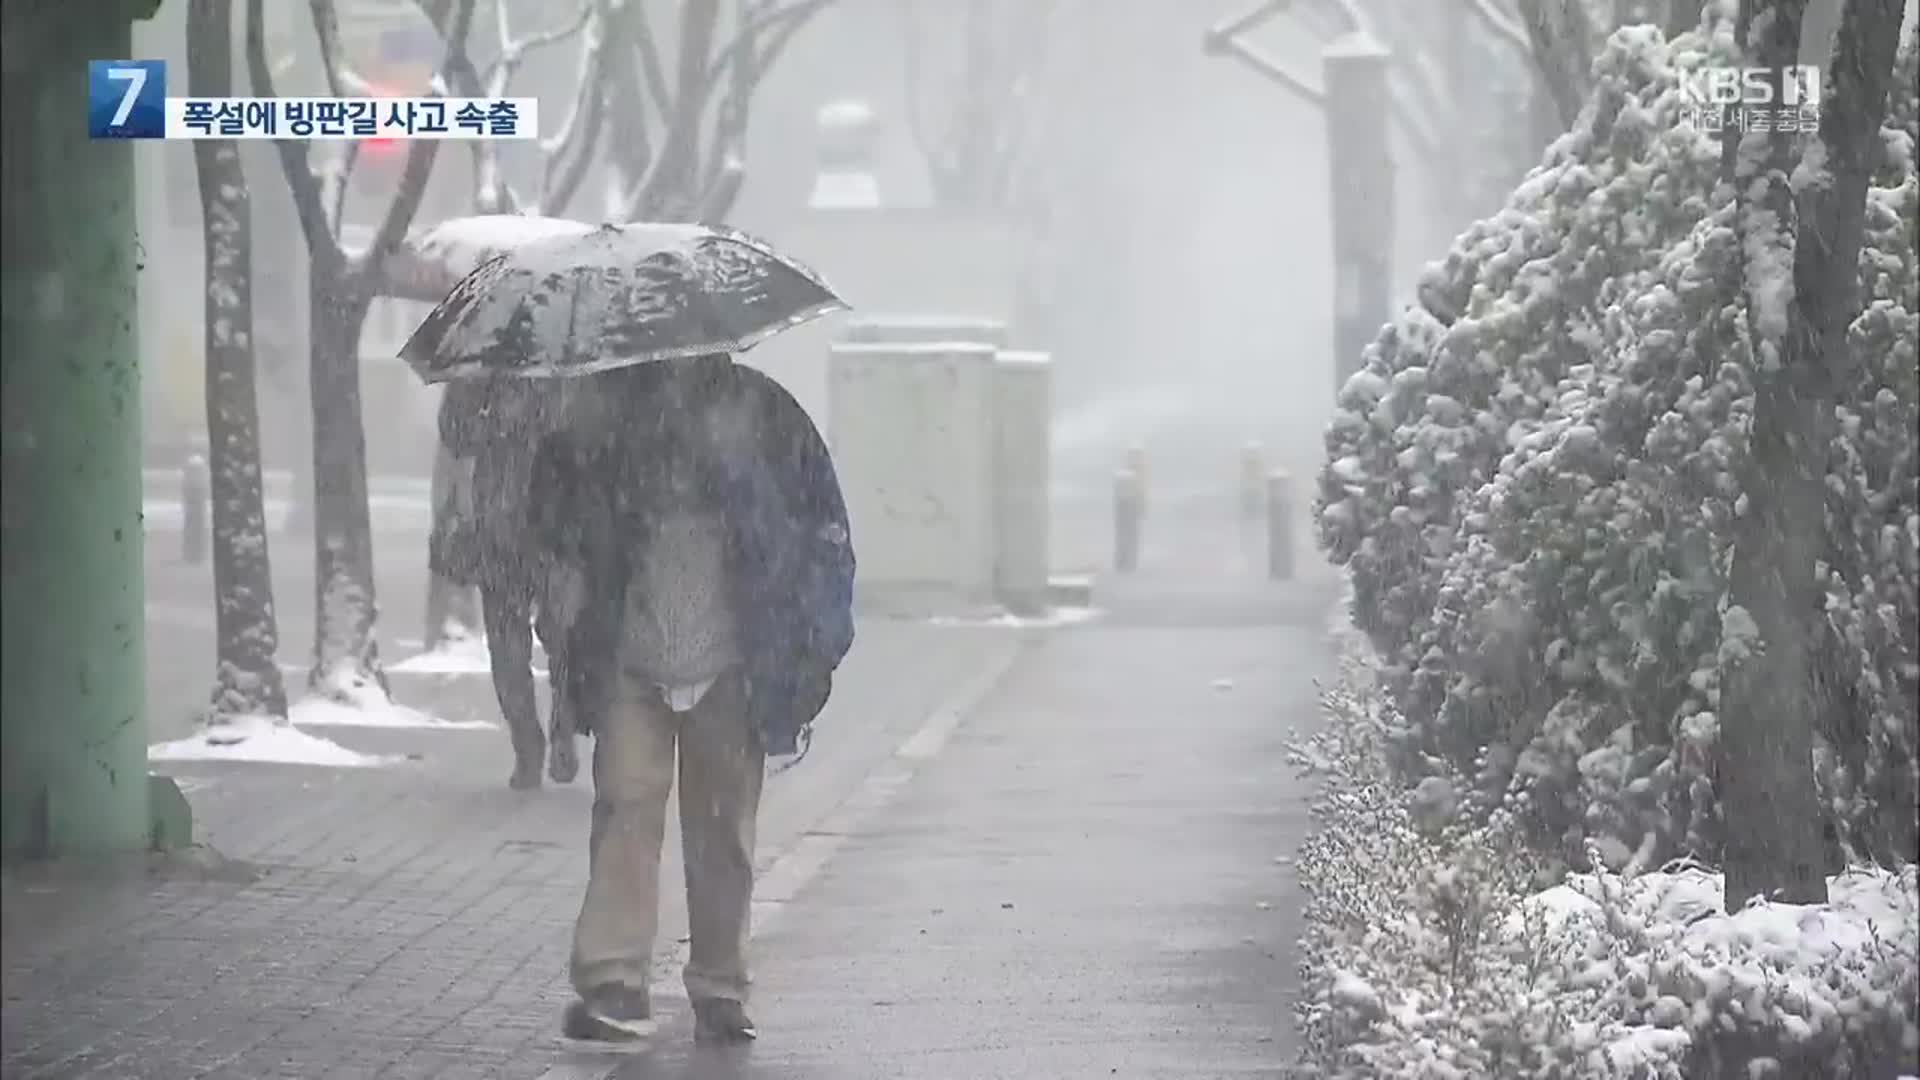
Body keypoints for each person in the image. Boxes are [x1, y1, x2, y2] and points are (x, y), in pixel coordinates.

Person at [528, 354, 856, 1044]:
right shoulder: (602, 414)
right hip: (632, 657)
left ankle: (719, 981)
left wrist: (814, 646)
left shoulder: (767, 414)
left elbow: (823, 534)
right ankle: (613, 980)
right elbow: (555, 526)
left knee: (723, 828)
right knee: (625, 804)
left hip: (735, 661)